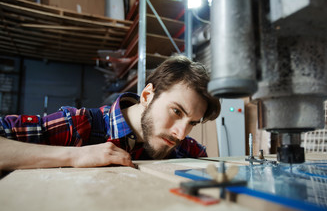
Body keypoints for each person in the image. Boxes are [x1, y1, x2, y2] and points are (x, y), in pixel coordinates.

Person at [0, 56, 221, 170]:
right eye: (176, 111)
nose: (181, 134)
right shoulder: (79, 125)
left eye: (192, 122)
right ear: (146, 96)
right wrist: (75, 156)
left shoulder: (187, 149)